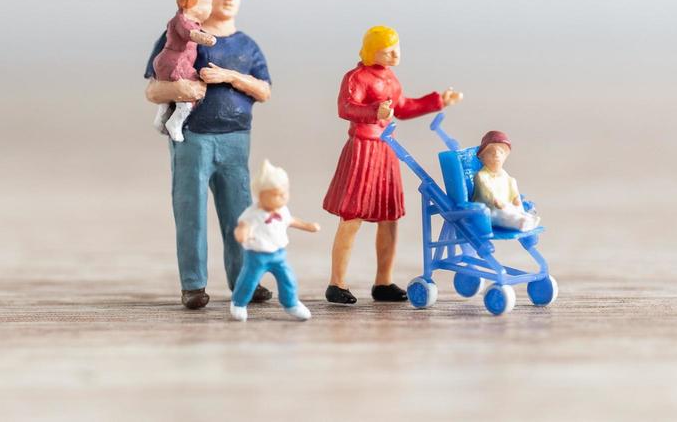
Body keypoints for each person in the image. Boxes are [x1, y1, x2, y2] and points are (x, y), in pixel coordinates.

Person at [143, 0, 274, 310]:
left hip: (235, 139)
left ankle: (245, 279)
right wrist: (179, 89)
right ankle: (193, 285)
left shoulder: (247, 46)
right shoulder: (180, 36)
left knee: (240, 213)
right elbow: (152, 90)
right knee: (191, 212)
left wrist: (230, 76)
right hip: (194, 138)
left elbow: (264, 90)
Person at [322, 25, 463, 304]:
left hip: (386, 150)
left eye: (397, 48)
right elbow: (346, 108)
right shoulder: (356, 77)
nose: (395, 55)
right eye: (388, 51)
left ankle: (383, 281)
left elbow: (404, 106)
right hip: (363, 149)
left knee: (389, 217)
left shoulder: (390, 78)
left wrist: (437, 101)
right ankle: (337, 283)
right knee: (352, 216)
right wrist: (375, 111)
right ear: (373, 51)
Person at [230, 160, 320, 322]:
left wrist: (308, 226)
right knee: (249, 280)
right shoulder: (253, 214)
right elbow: (243, 226)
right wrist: (241, 234)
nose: (283, 197)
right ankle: (239, 303)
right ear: (261, 196)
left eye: (285, 192)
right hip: (257, 256)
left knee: (288, 279)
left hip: (278, 254)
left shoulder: (282, 210)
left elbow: (291, 220)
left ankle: (291, 303)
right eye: (277, 194)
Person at [151, 0, 218, 143]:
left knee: (171, 97)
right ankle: (175, 122)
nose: (210, 8)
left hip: (168, 61)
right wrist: (203, 37)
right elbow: (188, 33)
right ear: (189, 3)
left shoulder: (191, 22)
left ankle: (161, 119)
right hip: (175, 62)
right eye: (205, 4)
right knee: (193, 90)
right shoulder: (181, 20)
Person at [471, 130, 540, 232]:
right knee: (504, 215)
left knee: (514, 209)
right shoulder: (481, 176)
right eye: (491, 152)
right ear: (482, 157)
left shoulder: (505, 175)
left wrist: (516, 199)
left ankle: (526, 218)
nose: (497, 155)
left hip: (506, 206)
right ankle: (520, 223)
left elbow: (511, 189)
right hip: (488, 210)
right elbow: (487, 194)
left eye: (501, 152)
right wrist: (497, 201)